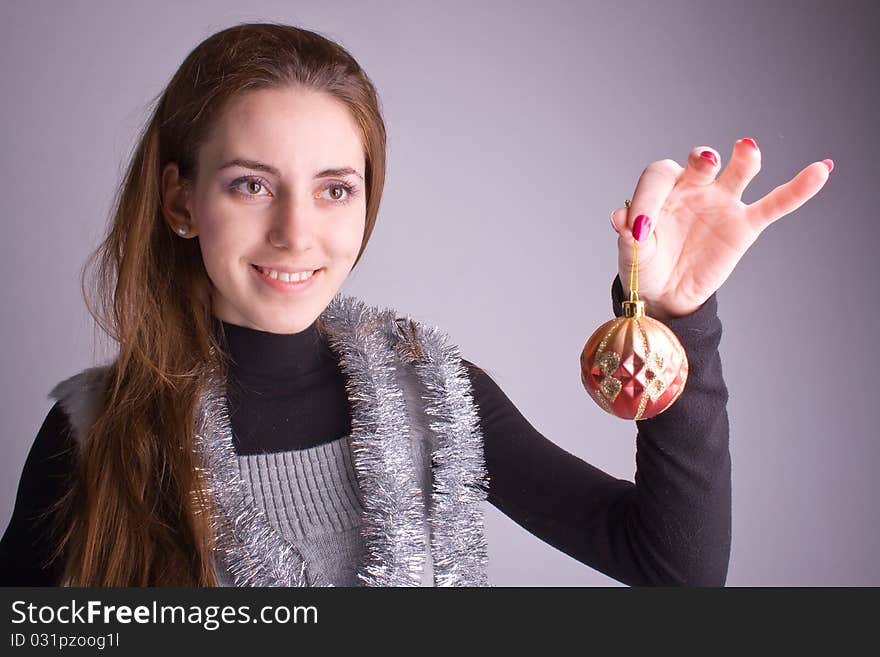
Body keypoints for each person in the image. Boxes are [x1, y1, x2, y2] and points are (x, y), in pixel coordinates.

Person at [0, 22, 831, 587]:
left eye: (334, 189)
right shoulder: (96, 430)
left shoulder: (431, 394)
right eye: (251, 184)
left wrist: (676, 313)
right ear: (181, 202)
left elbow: (675, 570)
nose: (297, 233)